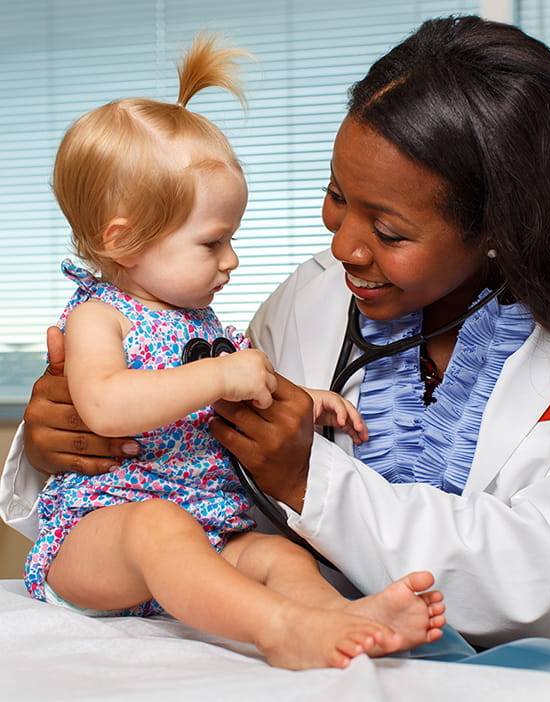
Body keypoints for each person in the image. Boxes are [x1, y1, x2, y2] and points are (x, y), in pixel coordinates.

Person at [1, 15, 550, 653]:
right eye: (337, 195)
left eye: (389, 231)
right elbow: (197, 473)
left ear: (500, 231)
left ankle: (332, 622)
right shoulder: (309, 295)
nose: (341, 246)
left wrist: (307, 476)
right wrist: (56, 443)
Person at [14, 35, 448, 672]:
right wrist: (218, 375)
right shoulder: (97, 317)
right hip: (103, 534)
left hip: (209, 526)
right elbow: (106, 407)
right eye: (213, 243)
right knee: (159, 528)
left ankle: (335, 617)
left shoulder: (204, 321)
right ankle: (278, 631)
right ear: (126, 240)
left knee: (279, 557)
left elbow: (256, 381)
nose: (232, 261)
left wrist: (308, 399)